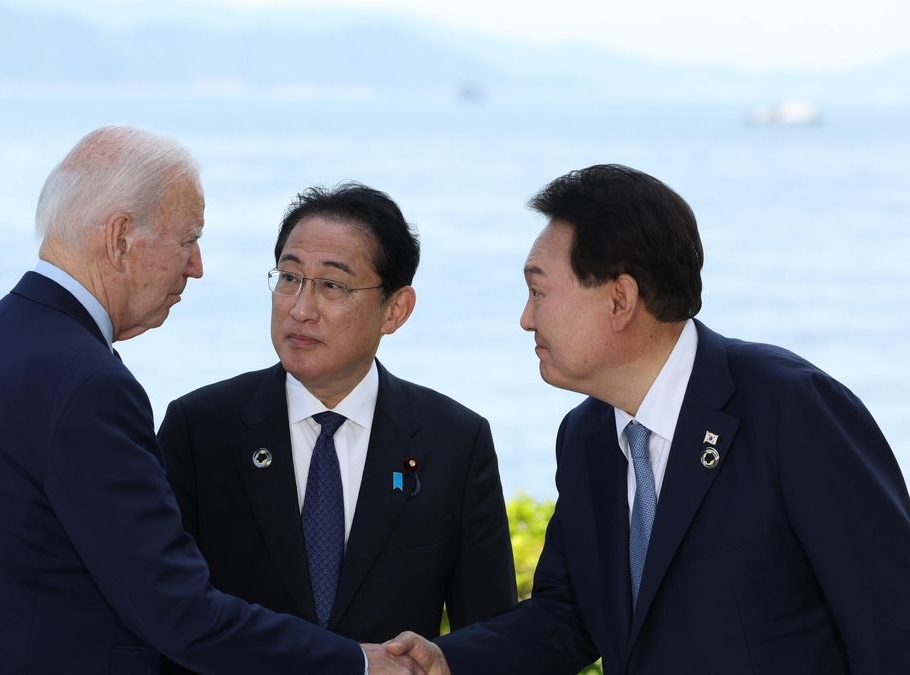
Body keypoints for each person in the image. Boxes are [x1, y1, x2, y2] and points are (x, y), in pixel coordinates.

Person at [0, 126, 422, 674]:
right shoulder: (87, 382)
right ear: (122, 238)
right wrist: (357, 663)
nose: (196, 266)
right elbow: (178, 613)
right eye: (187, 239)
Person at [387, 164, 910, 674]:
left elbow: (889, 620)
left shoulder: (789, 407)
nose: (526, 318)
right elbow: (568, 616)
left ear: (620, 299)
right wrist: (449, 659)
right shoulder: (585, 437)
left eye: (539, 291)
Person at [155, 182, 516, 675]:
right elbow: (164, 612)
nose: (300, 308)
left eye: (333, 285)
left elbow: (488, 635)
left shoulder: (453, 440)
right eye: (288, 277)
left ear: (396, 309)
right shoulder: (201, 428)